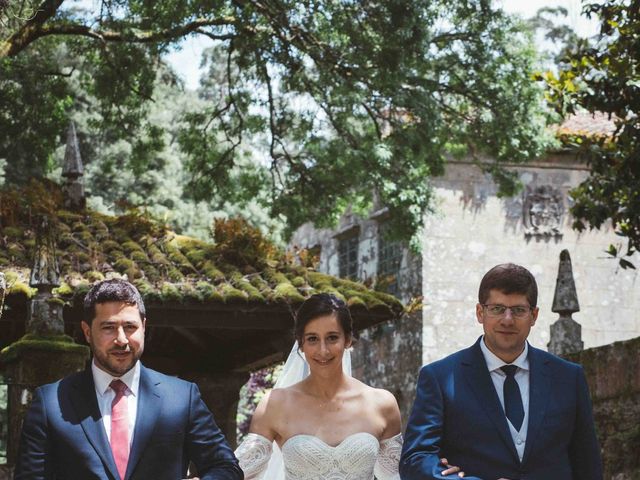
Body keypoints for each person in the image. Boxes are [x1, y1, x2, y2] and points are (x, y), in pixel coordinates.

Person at [15, 278, 242, 480]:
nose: (121, 339)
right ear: (87, 332)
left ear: (144, 327)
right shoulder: (50, 403)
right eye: (109, 328)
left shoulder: (182, 397)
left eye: (130, 327)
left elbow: (226, 466)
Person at [400, 263, 603, 480]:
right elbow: (415, 460)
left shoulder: (568, 378)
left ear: (534, 316)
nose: (507, 319)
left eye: (518, 310)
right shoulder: (440, 377)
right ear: (480, 312)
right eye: (497, 309)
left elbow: (587, 464)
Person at [234, 292, 404, 480]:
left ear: (347, 340)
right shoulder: (274, 404)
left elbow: (398, 476)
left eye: (332, 338)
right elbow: (239, 473)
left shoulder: (382, 403)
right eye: (312, 339)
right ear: (301, 344)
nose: (323, 350)